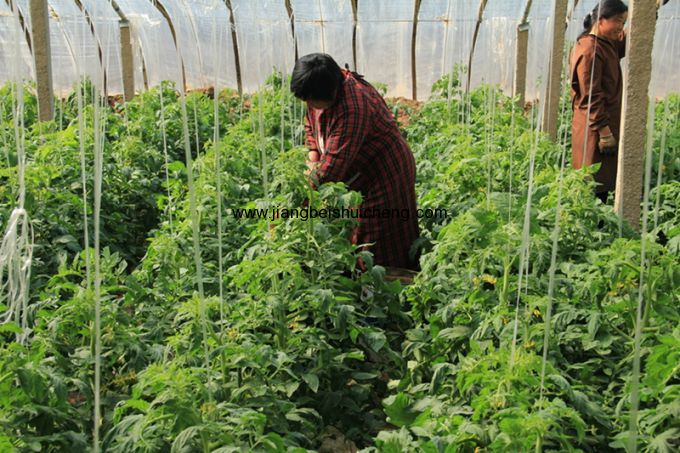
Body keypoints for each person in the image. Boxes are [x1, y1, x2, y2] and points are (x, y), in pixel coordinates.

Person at [290, 53, 419, 270]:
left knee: (376, 240)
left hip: (384, 173)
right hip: (359, 172)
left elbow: (332, 169)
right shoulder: (323, 84)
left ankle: (391, 285)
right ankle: (366, 280)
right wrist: (313, 153)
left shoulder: (353, 108)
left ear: (330, 92)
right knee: (355, 229)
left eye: (311, 100)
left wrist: (295, 205)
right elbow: (311, 124)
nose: (308, 105)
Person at [570, 0, 628, 203]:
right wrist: (605, 133)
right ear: (601, 20)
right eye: (618, 21)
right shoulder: (590, 51)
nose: (621, 27)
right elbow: (590, 96)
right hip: (594, 129)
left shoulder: (604, 43)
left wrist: (651, 11)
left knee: (600, 183)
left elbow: (624, 41)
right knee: (593, 186)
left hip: (600, 125)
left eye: (624, 22)